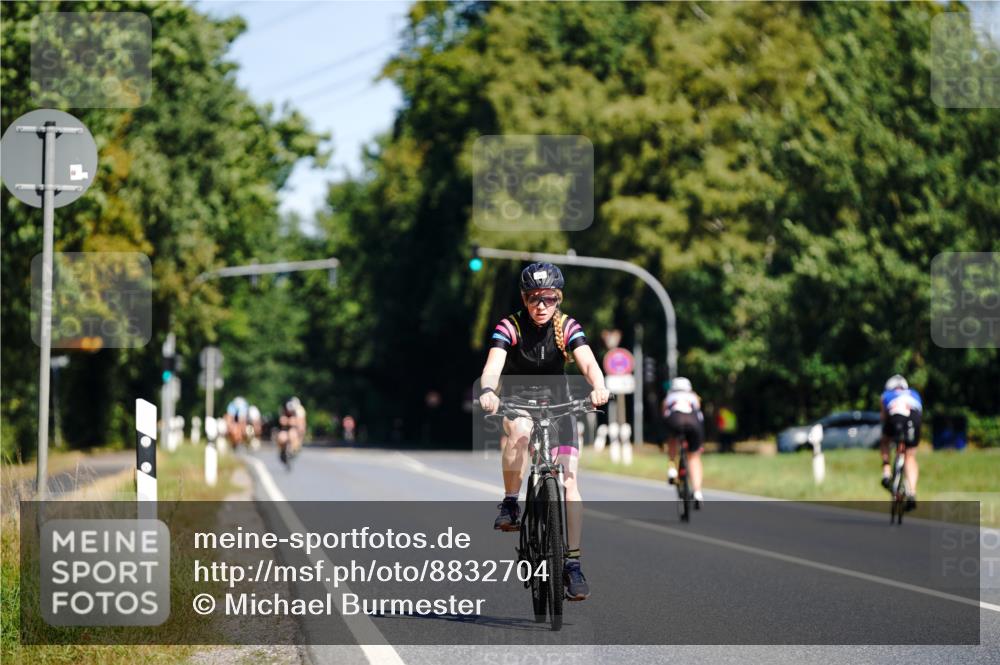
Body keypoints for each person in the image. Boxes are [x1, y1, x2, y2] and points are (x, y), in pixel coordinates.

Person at [478, 263, 610, 601]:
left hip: (559, 406)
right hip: (519, 402)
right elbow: (493, 366)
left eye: (549, 298)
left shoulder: (567, 327)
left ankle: (573, 564)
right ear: (524, 298)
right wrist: (489, 391)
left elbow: (589, 362)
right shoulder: (510, 326)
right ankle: (510, 503)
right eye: (534, 298)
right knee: (519, 432)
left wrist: (599, 386)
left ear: (558, 298)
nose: (541, 305)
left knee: (569, 481)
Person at [879, 374, 923, 511]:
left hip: (895, 416)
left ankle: (886, 471)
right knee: (910, 456)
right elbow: (920, 413)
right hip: (914, 419)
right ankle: (912, 492)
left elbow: (883, 417)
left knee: (885, 441)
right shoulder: (914, 393)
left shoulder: (886, 395)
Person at [662, 377, 705, 507]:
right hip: (694, 424)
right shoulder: (694, 396)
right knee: (694, 457)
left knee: (672, 439)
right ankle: (697, 492)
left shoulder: (669, 397)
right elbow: (699, 413)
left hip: (674, 420)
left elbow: (664, 415)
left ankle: (672, 469)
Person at [277, 396, 306, 465]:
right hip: (286, 429)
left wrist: (300, 437)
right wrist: (291, 421)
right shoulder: (283, 409)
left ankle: (292, 451)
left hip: (296, 431)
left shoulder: (300, 411)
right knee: (281, 437)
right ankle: (283, 452)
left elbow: (301, 425)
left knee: (292, 434)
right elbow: (282, 421)